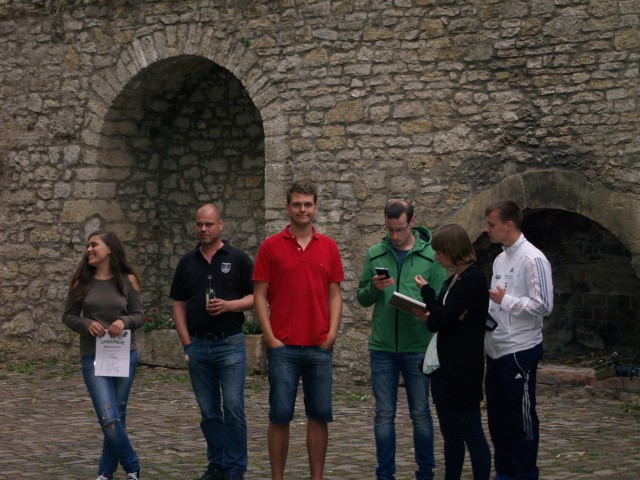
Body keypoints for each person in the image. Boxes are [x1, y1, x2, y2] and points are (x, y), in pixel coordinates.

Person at [253, 180, 344, 480]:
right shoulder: (270, 246)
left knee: (319, 416)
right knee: (280, 416)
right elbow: (259, 296)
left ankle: (316, 477)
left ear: (315, 207)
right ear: (288, 207)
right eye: (297, 204)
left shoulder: (328, 246)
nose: (302, 209)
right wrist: (270, 338)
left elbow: (335, 295)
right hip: (284, 347)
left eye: (307, 204)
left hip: (319, 346)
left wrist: (332, 334)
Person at [357, 199, 446, 480]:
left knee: (420, 413)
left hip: (417, 345)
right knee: (384, 414)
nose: (394, 236)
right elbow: (362, 298)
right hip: (382, 346)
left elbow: (441, 301)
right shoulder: (375, 253)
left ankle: (425, 473)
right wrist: (374, 287)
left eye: (400, 229)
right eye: (390, 229)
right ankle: (385, 474)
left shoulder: (431, 256)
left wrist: (427, 312)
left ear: (412, 223)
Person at [170, 203, 254, 480]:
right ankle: (217, 464)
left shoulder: (238, 259)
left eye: (208, 224)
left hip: (229, 344)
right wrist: (186, 341)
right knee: (208, 411)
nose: (203, 229)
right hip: (197, 345)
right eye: (199, 224)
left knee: (233, 407)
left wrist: (230, 306)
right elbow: (178, 303)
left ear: (220, 225)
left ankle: (235, 467)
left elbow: (257, 297)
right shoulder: (187, 262)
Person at [62, 230, 145, 480]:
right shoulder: (81, 281)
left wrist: (124, 321)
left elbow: (139, 315)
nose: (89, 249)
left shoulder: (128, 280)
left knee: (117, 414)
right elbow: (69, 316)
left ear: (109, 249)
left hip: (124, 356)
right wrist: (86, 324)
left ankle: (105, 472)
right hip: (93, 356)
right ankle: (132, 465)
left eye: (94, 245)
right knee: (108, 416)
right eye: (87, 246)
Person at [413, 224, 491, 480]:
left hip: (462, 369)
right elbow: (438, 322)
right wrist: (439, 314)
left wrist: (427, 292)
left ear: (452, 250)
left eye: (440, 252)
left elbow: (444, 317)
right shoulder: (451, 281)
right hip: (443, 368)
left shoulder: (473, 278)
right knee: (451, 435)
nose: (436, 257)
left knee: (471, 432)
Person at [484, 200, 554, 480]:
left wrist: (507, 301)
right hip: (495, 349)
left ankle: (524, 473)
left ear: (509, 224)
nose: (487, 230)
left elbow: (544, 305)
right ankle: (504, 471)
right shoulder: (499, 259)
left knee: (520, 418)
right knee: (497, 419)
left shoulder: (533, 259)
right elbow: (495, 303)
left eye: (492, 224)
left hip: (520, 350)